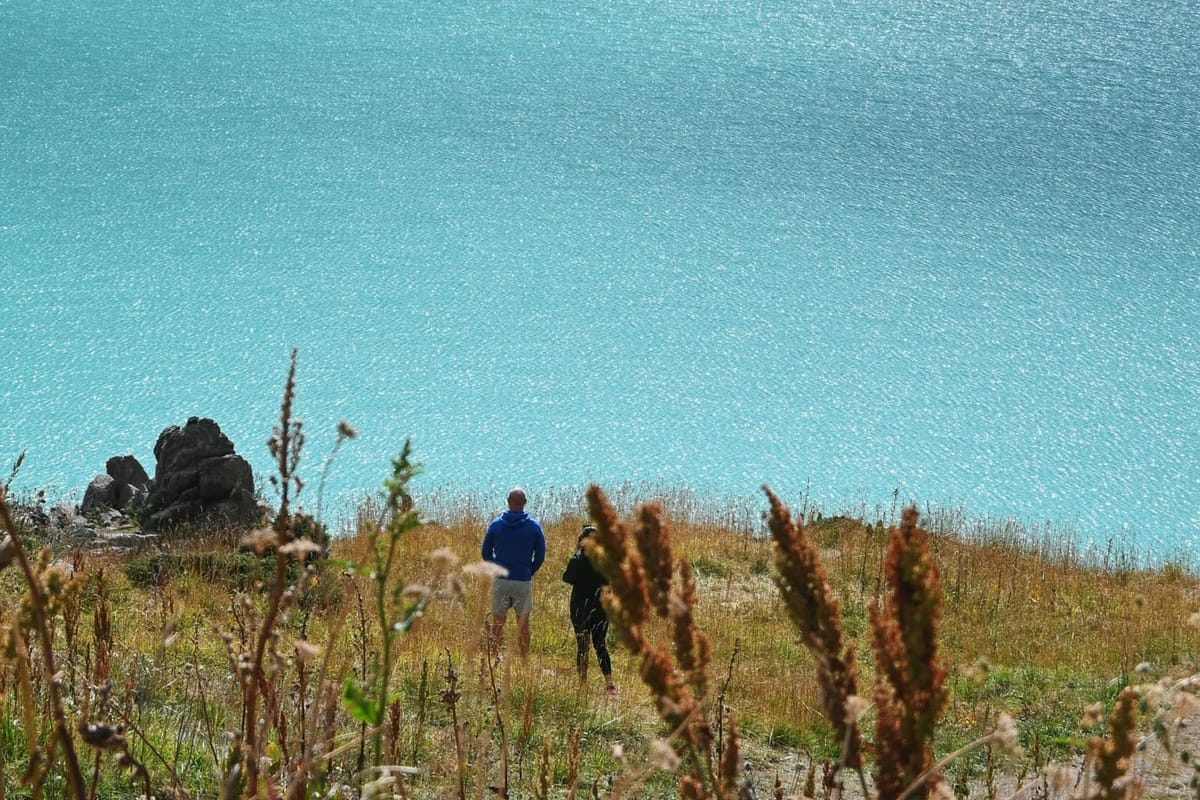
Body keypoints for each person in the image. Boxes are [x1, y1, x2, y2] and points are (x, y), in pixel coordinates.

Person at [480, 487, 546, 659]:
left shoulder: (496, 524)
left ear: (508, 502)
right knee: (523, 625)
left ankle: (493, 660)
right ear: (524, 503)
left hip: (501, 580)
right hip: (522, 580)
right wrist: (529, 570)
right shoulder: (533, 526)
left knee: (497, 624)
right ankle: (524, 662)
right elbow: (540, 554)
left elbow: (485, 551)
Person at [562, 524, 617, 695]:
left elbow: (567, 578)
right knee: (601, 645)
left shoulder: (577, 560)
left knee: (582, 645)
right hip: (601, 608)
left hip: (580, 608)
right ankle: (609, 684)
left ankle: (583, 684)